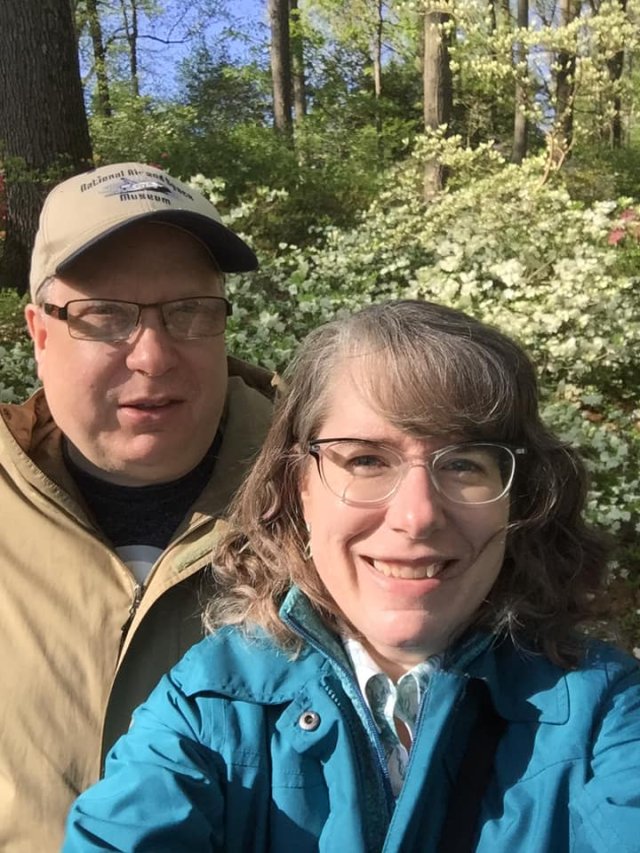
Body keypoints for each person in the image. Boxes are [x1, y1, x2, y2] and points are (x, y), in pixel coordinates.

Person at [63, 300, 640, 852]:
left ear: (518, 497)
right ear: (299, 487)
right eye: (365, 460)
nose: (417, 516)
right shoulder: (208, 706)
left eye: (464, 463)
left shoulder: (607, 714)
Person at [0, 162, 274, 852]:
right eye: (106, 318)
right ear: (38, 331)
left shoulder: (329, 501)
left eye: (189, 312)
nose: (153, 356)